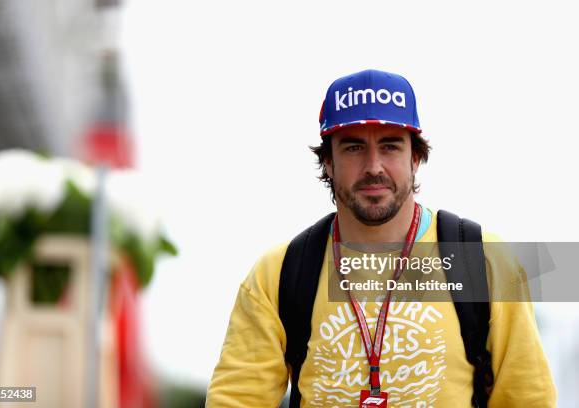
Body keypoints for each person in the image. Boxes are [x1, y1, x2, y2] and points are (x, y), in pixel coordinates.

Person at [206, 69, 556, 407]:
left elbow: (527, 398)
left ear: (415, 157)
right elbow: (236, 401)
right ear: (328, 161)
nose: (374, 166)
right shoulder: (278, 272)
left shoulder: (483, 258)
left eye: (390, 147)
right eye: (354, 148)